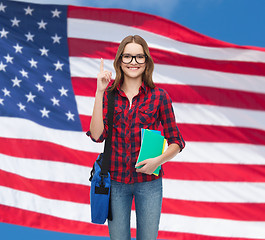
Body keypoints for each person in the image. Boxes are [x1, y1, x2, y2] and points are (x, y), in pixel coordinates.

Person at [87, 35, 185, 240]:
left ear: (146, 61)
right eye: (128, 57)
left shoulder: (160, 96)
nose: (133, 62)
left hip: (149, 183)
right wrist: (99, 91)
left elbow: (176, 141)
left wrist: (158, 162)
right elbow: (97, 136)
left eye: (139, 57)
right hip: (115, 183)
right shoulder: (108, 96)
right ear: (119, 61)